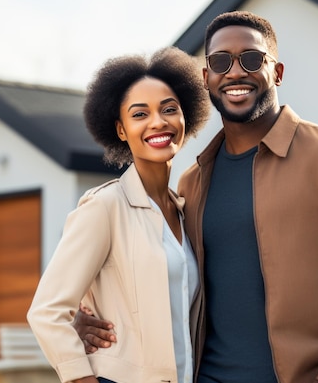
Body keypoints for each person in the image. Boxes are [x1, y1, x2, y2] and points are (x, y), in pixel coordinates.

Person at [75, 11, 318, 383]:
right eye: (220, 62)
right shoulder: (192, 183)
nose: (236, 72)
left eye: (252, 59)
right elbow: (163, 282)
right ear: (206, 78)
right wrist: (87, 316)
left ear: (277, 72)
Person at [27, 46, 211, 383]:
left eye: (169, 109)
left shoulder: (185, 210)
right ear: (121, 129)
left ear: (186, 117)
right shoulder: (104, 207)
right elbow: (47, 312)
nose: (158, 122)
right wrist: (82, 378)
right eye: (140, 114)